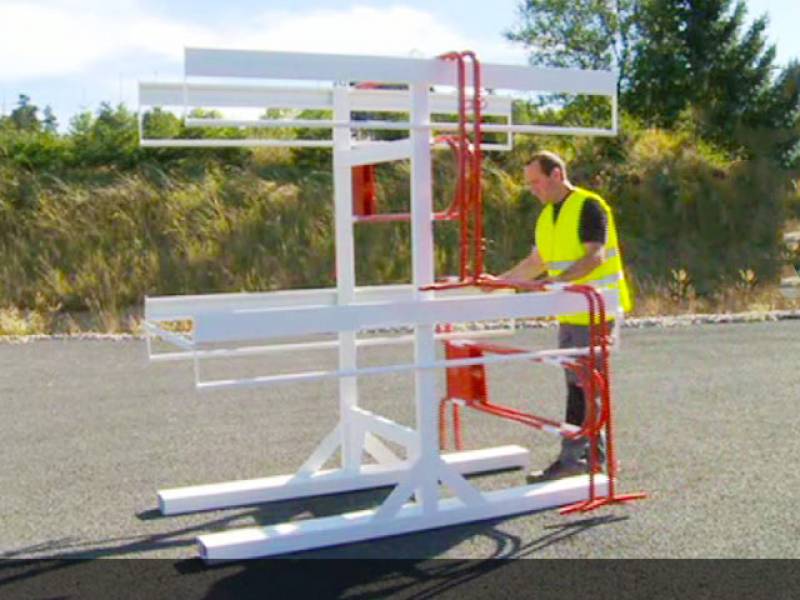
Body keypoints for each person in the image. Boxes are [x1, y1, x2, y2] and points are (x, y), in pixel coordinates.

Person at [497, 151, 632, 482]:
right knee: (578, 386)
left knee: (586, 388)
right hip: (569, 313)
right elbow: (536, 263)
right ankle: (591, 459)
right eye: (529, 184)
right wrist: (500, 284)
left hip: (596, 312)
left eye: (537, 182)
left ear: (557, 174)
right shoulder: (546, 217)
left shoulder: (589, 205)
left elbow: (595, 257)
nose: (533, 190)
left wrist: (555, 284)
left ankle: (577, 459)